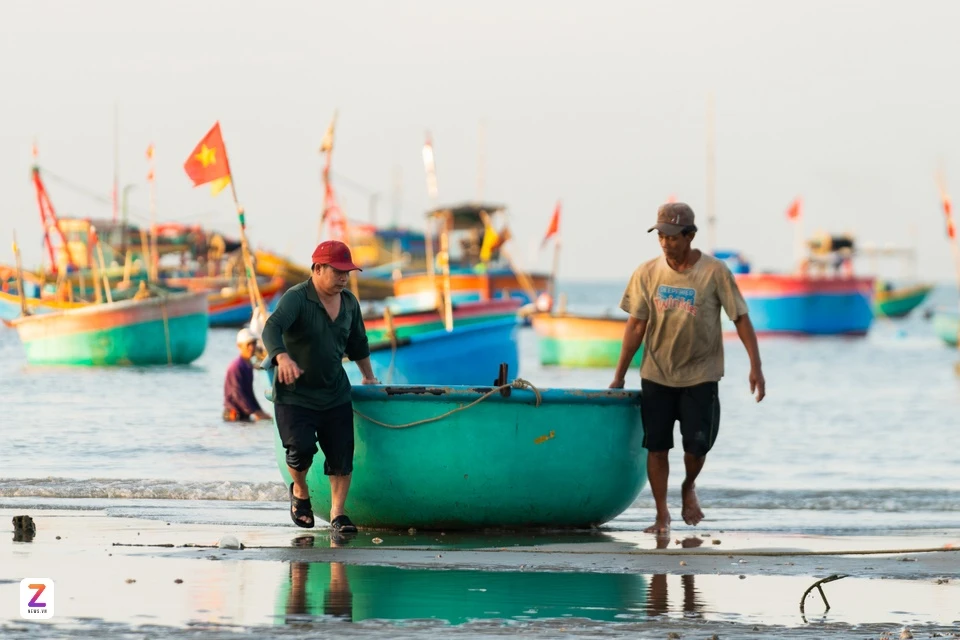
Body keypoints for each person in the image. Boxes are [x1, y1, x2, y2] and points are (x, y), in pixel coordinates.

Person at [610, 202, 765, 536]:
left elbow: (740, 317)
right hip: (657, 373)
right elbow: (636, 326)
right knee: (657, 446)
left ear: (690, 236)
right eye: (660, 236)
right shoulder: (647, 273)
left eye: (672, 237)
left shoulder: (714, 272)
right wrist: (620, 374)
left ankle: (689, 485)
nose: (665, 243)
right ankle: (662, 514)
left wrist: (756, 366)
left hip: (701, 374)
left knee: (696, 447)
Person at [261, 240, 379, 532]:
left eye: (347, 272)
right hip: (295, 393)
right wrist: (282, 357)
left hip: (335, 392)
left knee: (341, 455)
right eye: (338, 271)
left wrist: (368, 376)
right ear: (317, 268)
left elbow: (358, 342)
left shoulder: (350, 302)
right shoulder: (296, 298)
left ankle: (338, 515)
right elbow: (271, 328)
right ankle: (299, 491)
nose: (343, 277)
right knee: (300, 450)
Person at [223, 327, 272, 422]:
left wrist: (260, 411)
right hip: (234, 416)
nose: (251, 347)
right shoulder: (236, 367)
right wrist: (255, 413)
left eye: (253, 343)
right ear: (239, 346)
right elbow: (237, 394)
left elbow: (250, 394)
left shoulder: (248, 365)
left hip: (244, 414)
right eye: (248, 344)